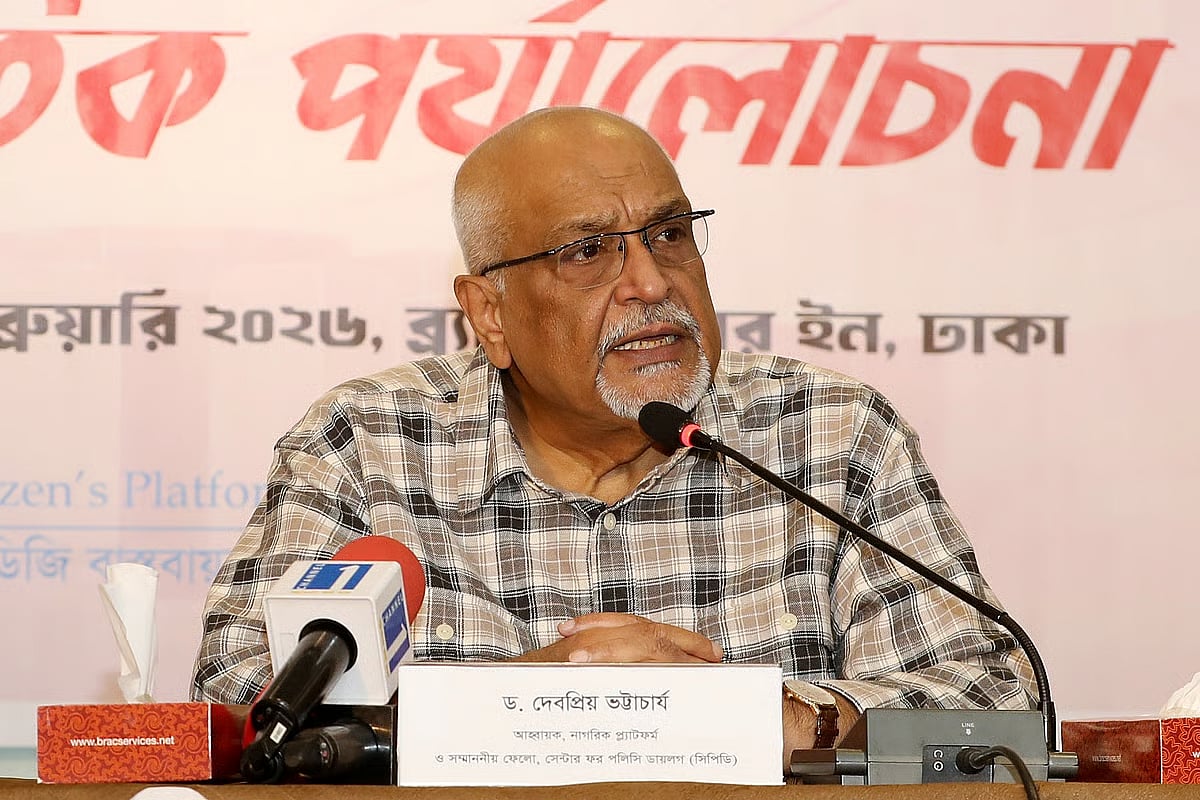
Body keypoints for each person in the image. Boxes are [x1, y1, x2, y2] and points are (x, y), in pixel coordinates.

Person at [192, 106, 1035, 769]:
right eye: (587, 250)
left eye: (669, 234)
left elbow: (999, 697)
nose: (649, 282)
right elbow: (240, 713)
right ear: (489, 313)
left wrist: (786, 716)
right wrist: (532, 703)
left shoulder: (828, 432)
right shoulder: (366, 445)